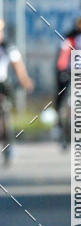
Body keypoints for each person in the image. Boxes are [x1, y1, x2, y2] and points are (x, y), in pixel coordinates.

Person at [0, 17, 34, 164]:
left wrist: (25, 80)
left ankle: (8, 145)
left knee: (4, 113)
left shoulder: (8, 46)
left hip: (2, 84)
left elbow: (18, 65)